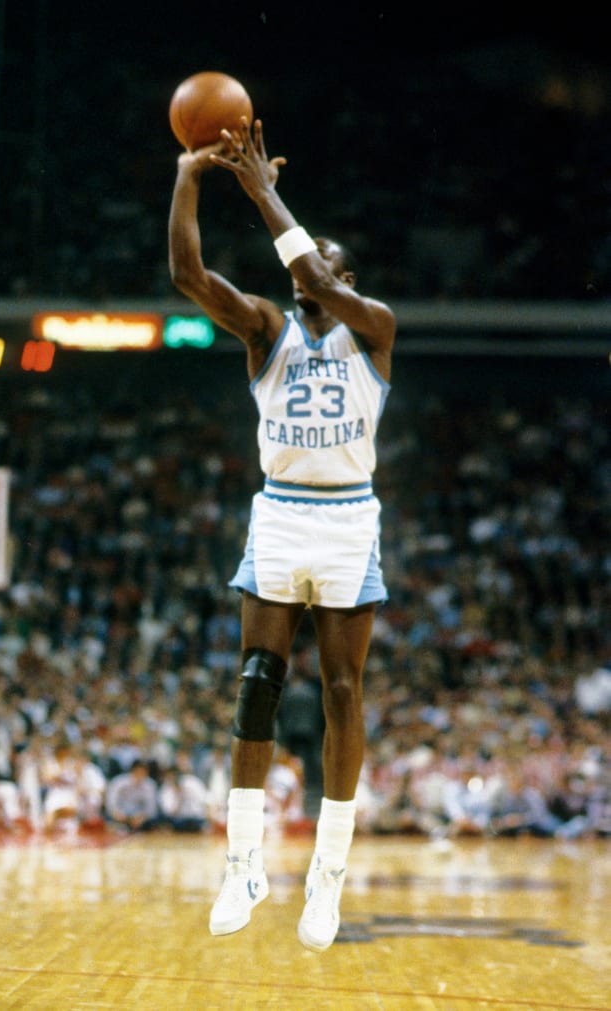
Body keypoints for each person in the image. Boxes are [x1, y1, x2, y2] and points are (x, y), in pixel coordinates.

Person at [168, 117, 396, 952]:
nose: (312, 273)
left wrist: (264, 191)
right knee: (258, 680)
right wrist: (190, 176)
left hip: (347, 518)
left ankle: (328, 873)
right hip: (282, 509)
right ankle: (244, 861)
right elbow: (186, 273)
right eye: (312, 264)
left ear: (346, 277)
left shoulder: (372, 326)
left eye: (327, 264)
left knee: (341, 691)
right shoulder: (268, 327)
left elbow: (307, 267)